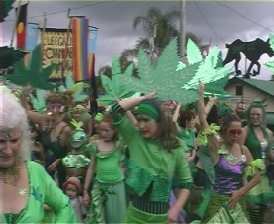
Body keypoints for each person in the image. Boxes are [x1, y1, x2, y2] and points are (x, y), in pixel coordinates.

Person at [111, 92, 193, 223]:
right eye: (139, 119)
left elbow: (187, 184)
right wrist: (144, 98)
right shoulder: (134, 137)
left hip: (161, 220)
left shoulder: (176, 146)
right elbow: (115, 110)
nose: (141, 125)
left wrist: (176, 208)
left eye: (146, 120)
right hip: (134, 218)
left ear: (159, 122)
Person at [0, 86, 77, 223]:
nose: (7, 149)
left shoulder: (35, 172)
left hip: (55, 168)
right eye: (0, 141)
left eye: (14, 140)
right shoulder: (45, 124)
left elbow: (64, 206)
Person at [197, 83, 261, 223]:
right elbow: (202, 121)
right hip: (218, 204)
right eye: (233, 131)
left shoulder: (244, 150)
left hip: (238, 205)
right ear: (224, 130)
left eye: (239, 132)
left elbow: (257, 177)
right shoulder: (217, 147)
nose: (236, 135)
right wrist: (200, 95)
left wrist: (240, 192)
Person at [83, 113, 127, 224]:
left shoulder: (119, 144)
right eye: (101, 130)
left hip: (117, 186)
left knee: (116, 217)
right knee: (100, 216)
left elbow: (127, 126)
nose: (103, 133)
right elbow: (91, 168)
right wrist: (85, 190)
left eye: (107, 130)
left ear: (114, 130)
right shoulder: (95, 145)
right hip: (100, 185)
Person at [22, 91, 73, 182]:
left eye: (56, 105)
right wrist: (24, 92)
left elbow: (72, 153)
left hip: (59, 170)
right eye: (50, 105)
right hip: (42, 168)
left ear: (62, 108)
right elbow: (24, 111)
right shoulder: (43, 121)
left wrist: (59, 161)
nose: (52, 109)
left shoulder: (66, 129)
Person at [239, 99, 274, 224]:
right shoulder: (245, 131)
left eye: (258, 114)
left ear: (263, 115)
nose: (255, 117)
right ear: (249, 115)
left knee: (265, 210)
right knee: (253, 209)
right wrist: (242, 177)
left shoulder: (268, 133)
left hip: (264, 177)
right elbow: (239, 153)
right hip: (250, 176)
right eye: (252, 114)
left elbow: (270, 156)